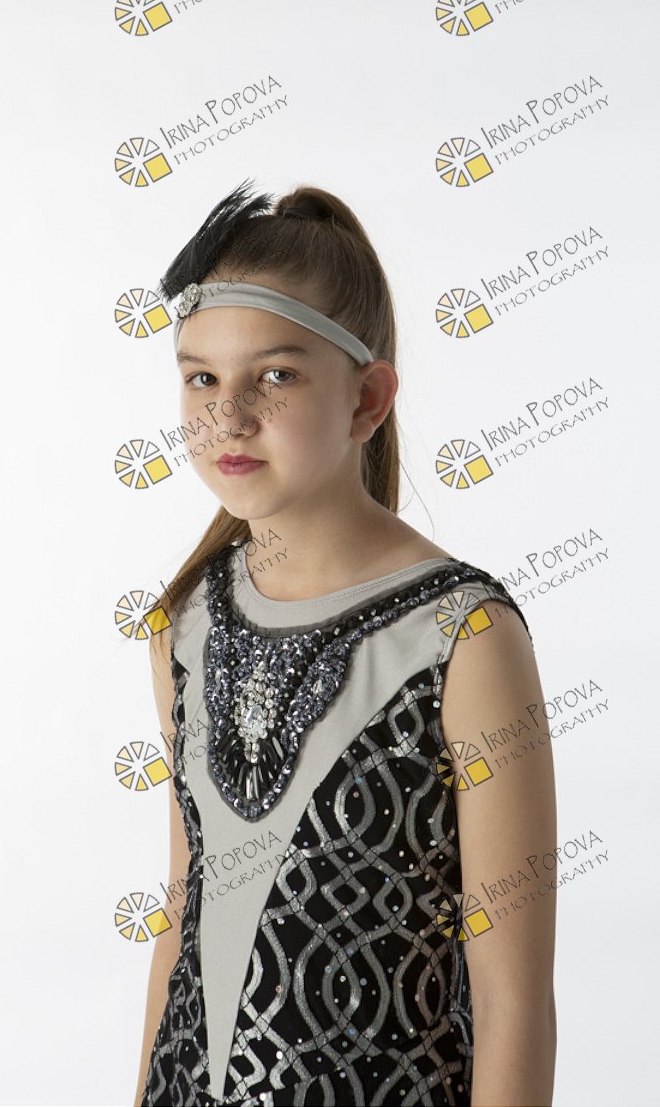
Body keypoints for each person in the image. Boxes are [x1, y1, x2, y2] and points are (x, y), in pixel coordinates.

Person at [134, 179, 557, 1107]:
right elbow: (183, 911)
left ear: (367, 397)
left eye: (276, 376)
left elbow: (514, 1004)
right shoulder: (184, 623)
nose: (228, 415)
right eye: (202, 377)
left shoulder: (462, 638)